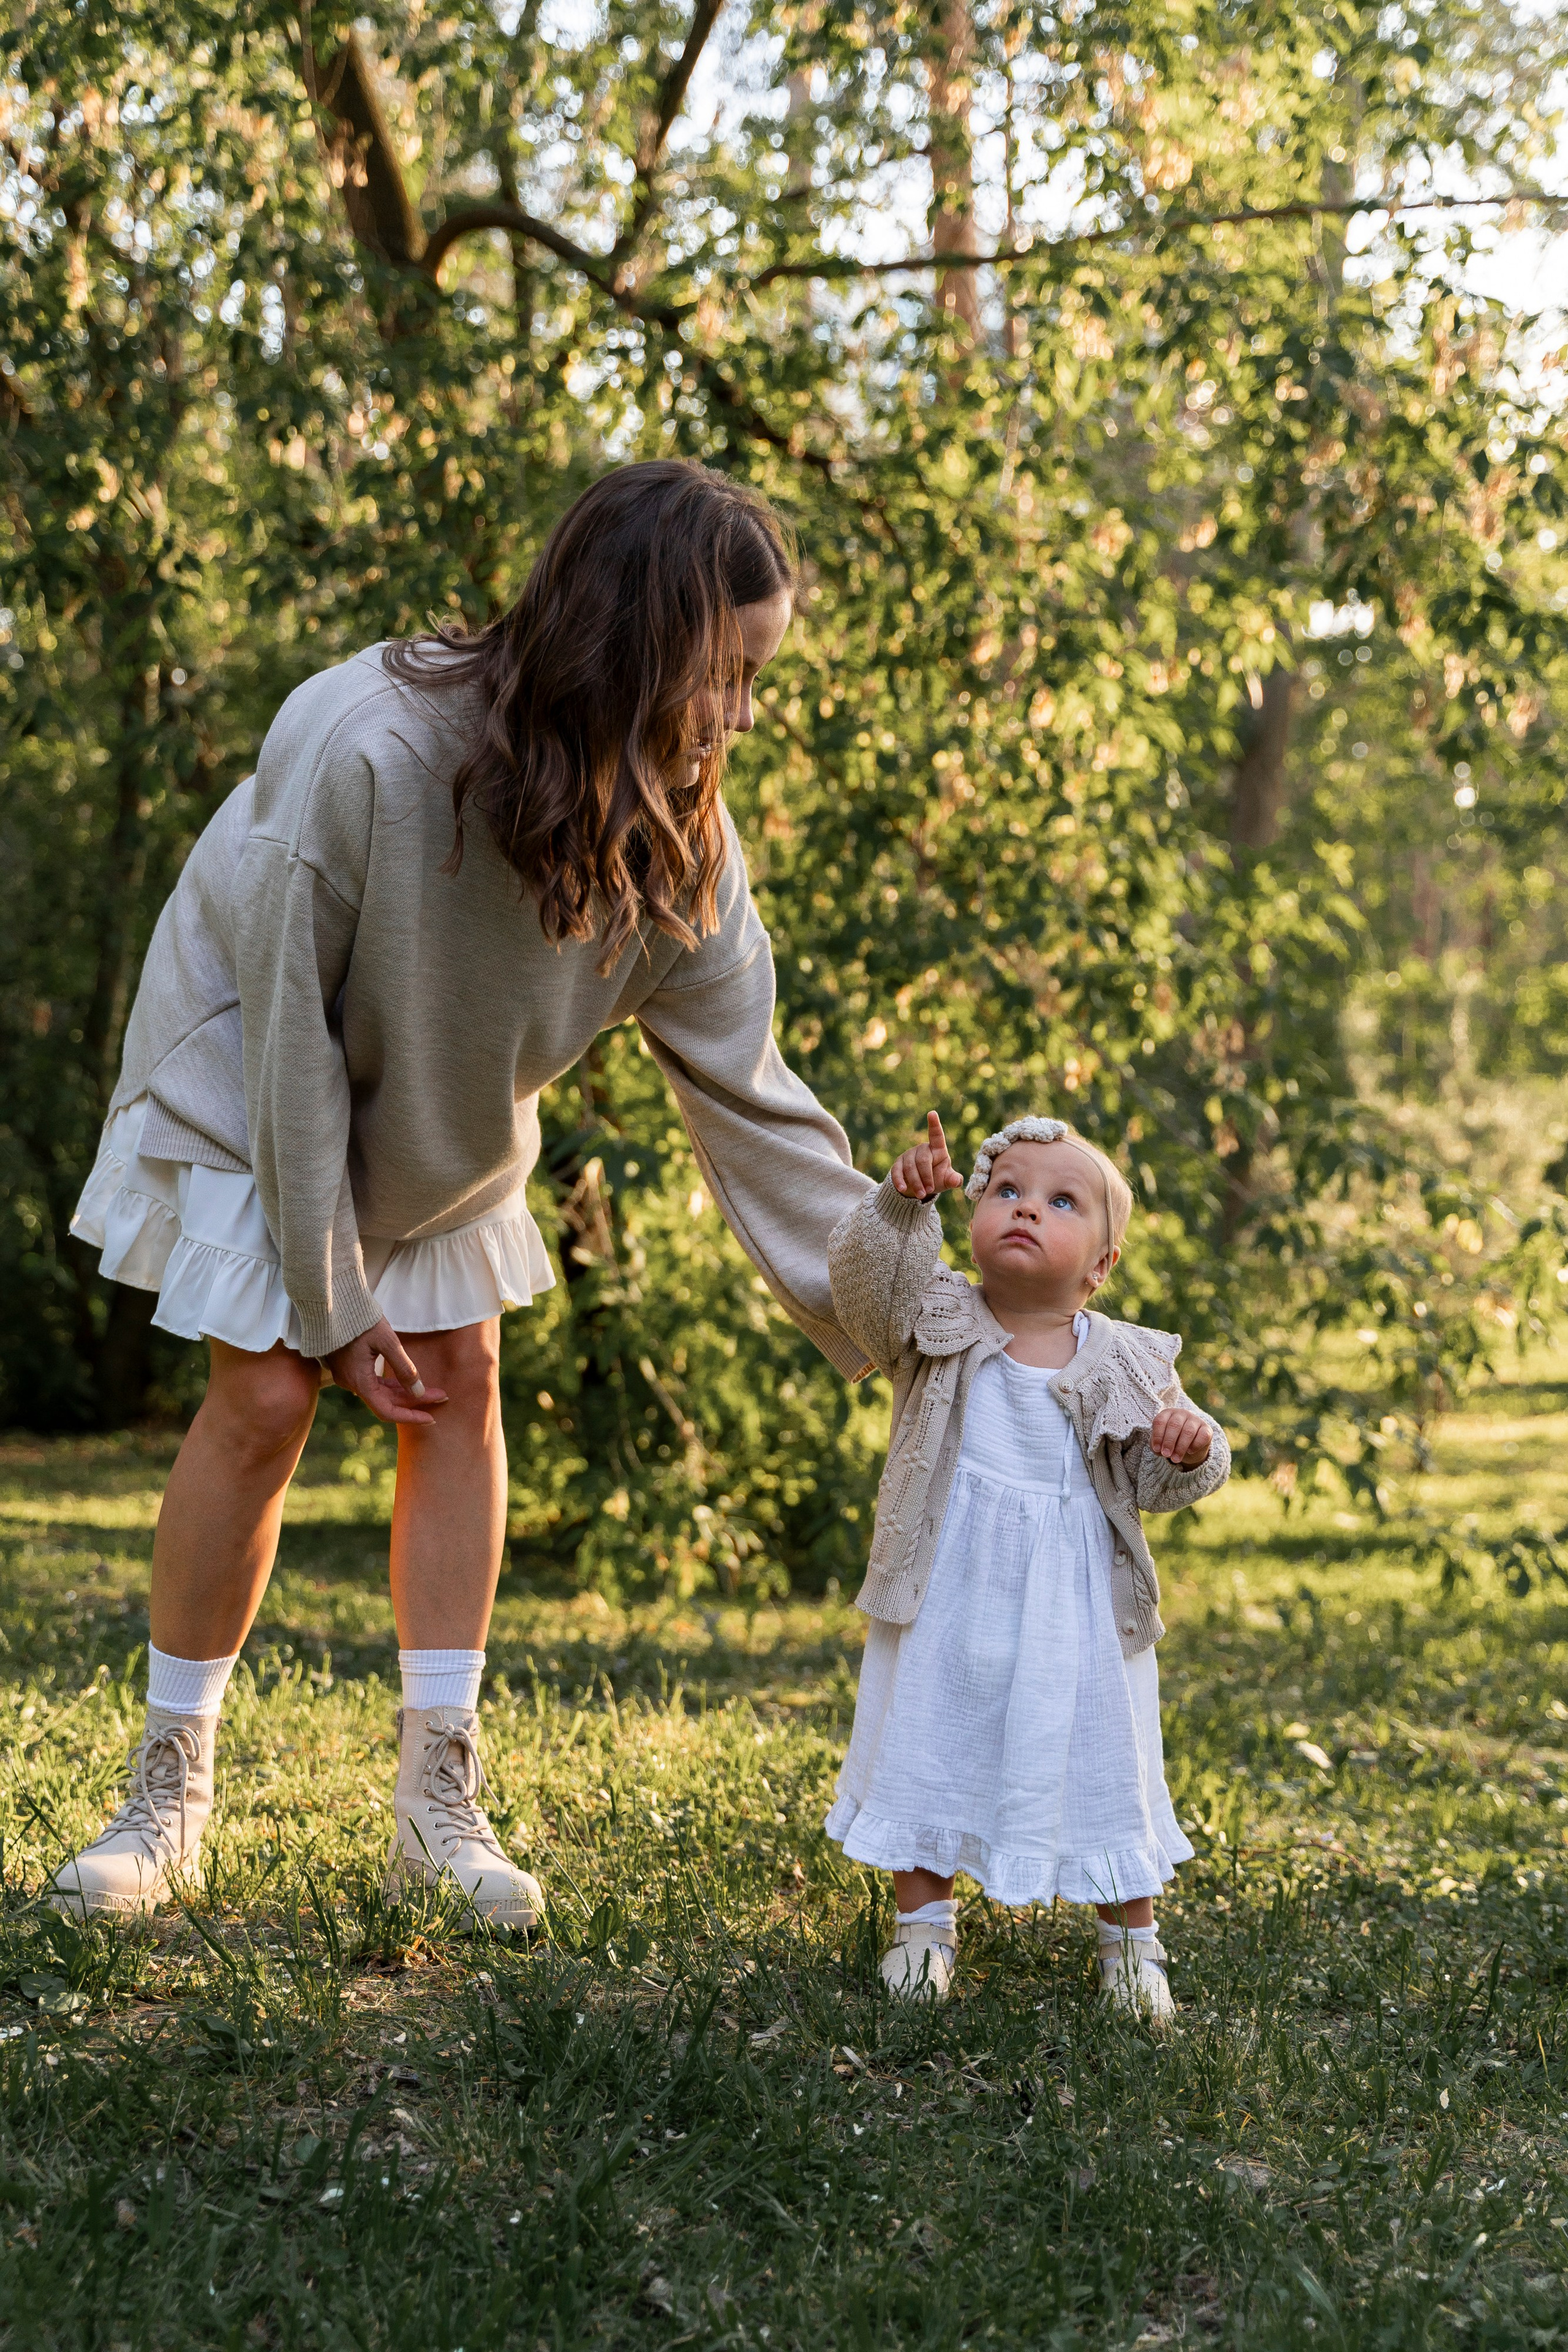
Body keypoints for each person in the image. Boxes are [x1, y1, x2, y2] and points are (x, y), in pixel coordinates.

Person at [57, 461, 873, 1926]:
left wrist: (910, 1302)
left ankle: (438, 1808)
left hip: (439, 1106)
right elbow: (292, 1026)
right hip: (253, 1062)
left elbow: (752, 1093)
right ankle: (164, 1798)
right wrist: (330, 1294)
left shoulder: (679, 834)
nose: (741, 721)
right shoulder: (365, 741)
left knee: (462, 1382)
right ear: (634, 640)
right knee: (266, 1396)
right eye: (725, 678)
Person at [823, 1109, 1230, 2019]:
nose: (1025, 1208)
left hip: (1078, 1607)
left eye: (1059, 1200)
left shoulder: (1128, 1357)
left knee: (1103, 1759)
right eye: (1005, 1189)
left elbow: (1169, 1479)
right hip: (948, 1588)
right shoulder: (937, 1315)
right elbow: (863, 1297)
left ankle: (1132, 1945)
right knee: (930, 1736)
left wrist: (1189, 1444)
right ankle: (922, 1932)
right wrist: (899, 1206)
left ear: (1102, 1264)